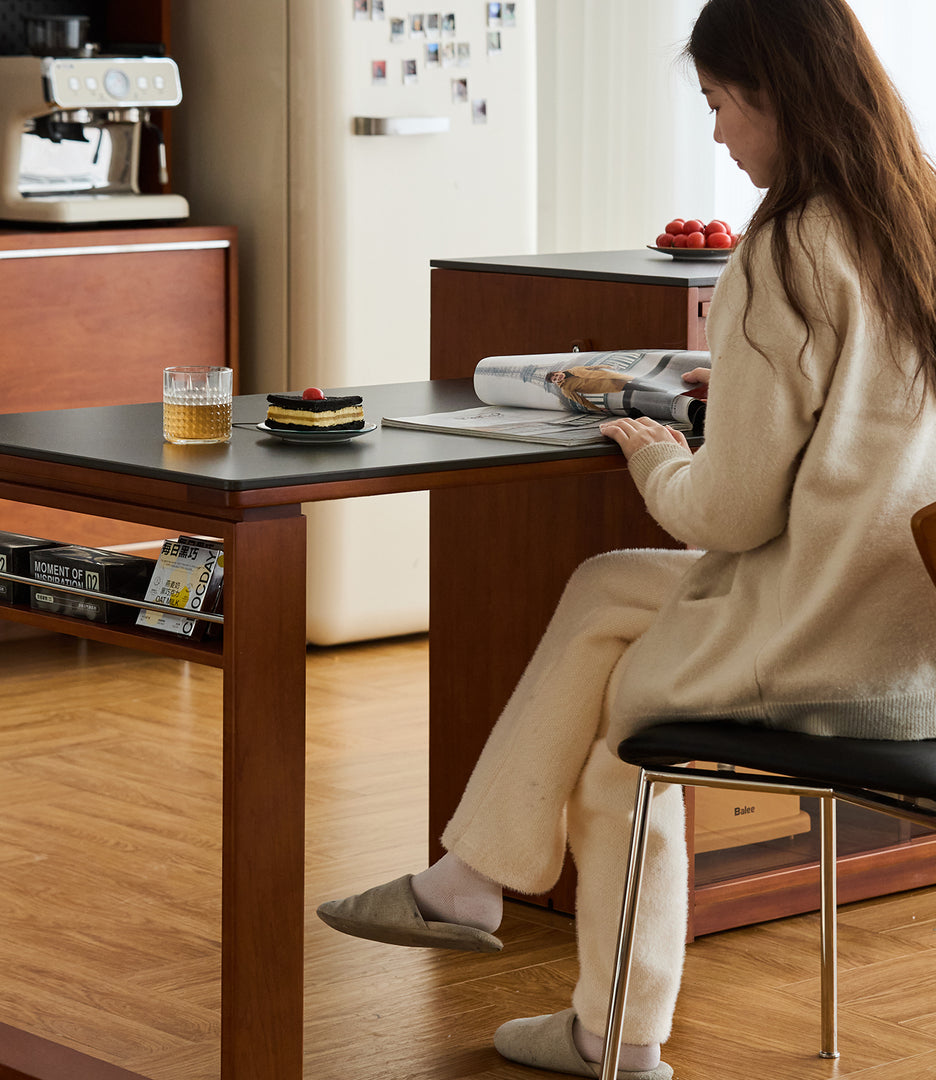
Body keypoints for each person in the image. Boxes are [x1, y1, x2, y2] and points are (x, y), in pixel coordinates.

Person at [317, 0, 936, 1075]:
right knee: (607, 590)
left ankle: (600, 1018)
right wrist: (733, 393)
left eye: (717, 106)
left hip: (815, 637)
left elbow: (727, 516)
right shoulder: (915, 226)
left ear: (773, 94)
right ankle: (476, 890)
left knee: (618, 739)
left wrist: (655, 451)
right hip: (909, 642)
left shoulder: (785, 253)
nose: (715, 137)